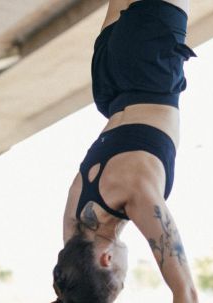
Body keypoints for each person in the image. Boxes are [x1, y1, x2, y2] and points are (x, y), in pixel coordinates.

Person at [52, 0, 198, 302]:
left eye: (120, 280)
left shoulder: (137, 196)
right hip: (108, 82)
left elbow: (186, 292)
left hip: (148, 62)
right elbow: (70, 283)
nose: (125, 272)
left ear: (107, 261)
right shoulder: (74, 220)